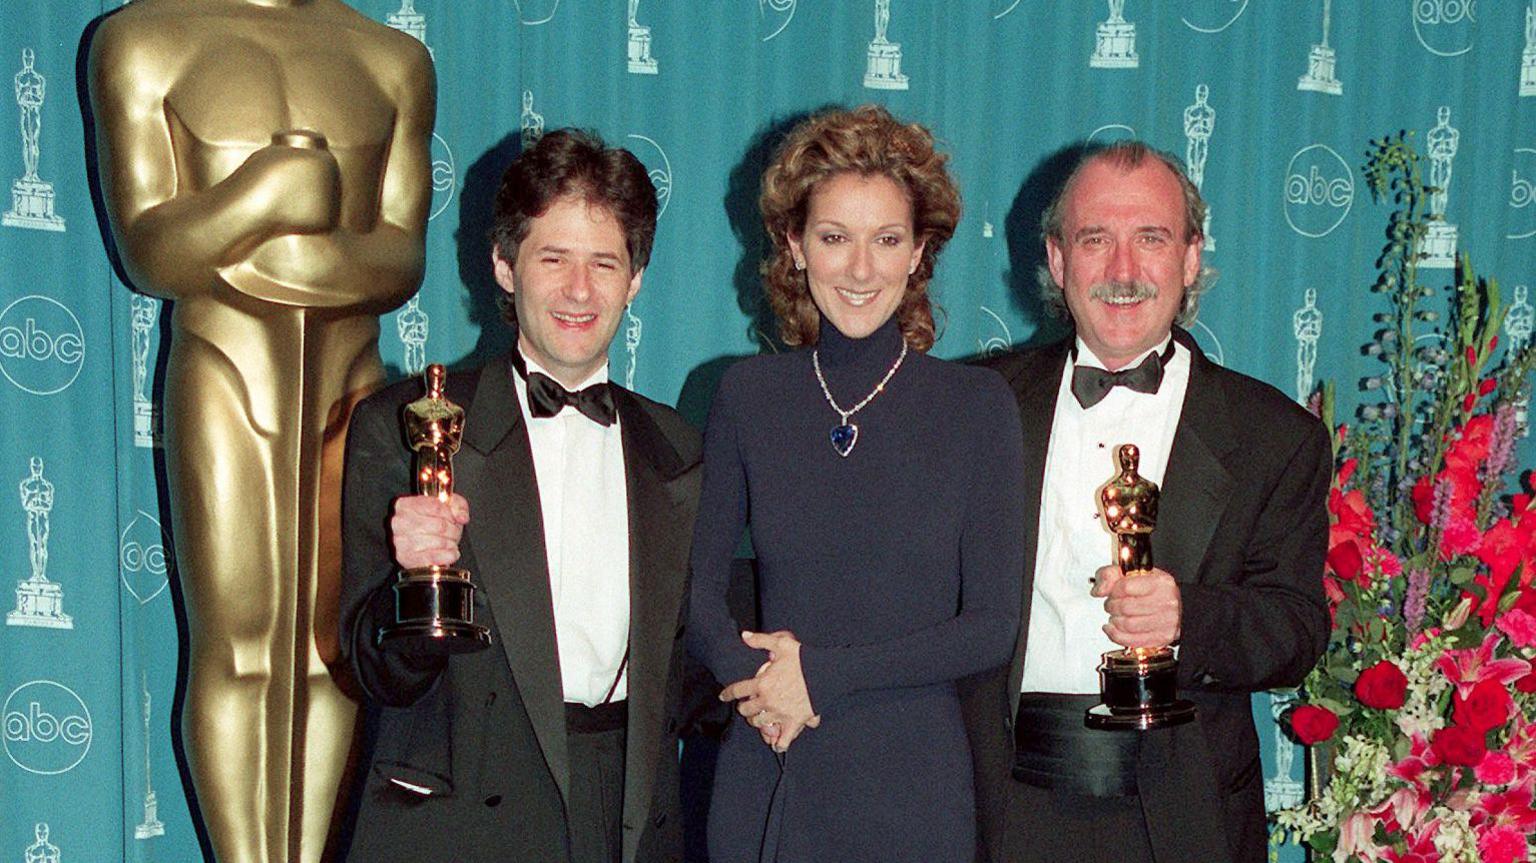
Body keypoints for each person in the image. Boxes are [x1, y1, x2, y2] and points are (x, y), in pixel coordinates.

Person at [87, 4, 433, 860]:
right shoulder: (145, 40)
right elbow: (152, 248)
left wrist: (292, 258)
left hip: (353, 383)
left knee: (333, 644)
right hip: (223, 364)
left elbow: (400, 256)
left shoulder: (393, 60)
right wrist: (264, 195)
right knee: (238, 641)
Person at [337, 129, 702, 863]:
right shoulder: (408, 428)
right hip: (464, 823)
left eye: (605, 263)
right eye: (553, 258)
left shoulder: (680, 448)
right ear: (505, 266)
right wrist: (414, 585)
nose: (579, 290)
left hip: (626, 818)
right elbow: (378, 671)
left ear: (636, 280)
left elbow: (696, 667)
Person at [962, 141, 1331, 863]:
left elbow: (1296, 626)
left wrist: (1186, 617)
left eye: (1151, 239)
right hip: (999, 811)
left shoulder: (1274, 435)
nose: (1123, 271)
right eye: (1096, 239)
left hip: (1182, 818)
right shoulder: (977, 407)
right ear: (1058, 260)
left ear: (1191, 258)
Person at [688, 104, 1026, 863]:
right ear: (793, 245)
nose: (861, 268)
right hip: (769, 756)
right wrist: (762, 687)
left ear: (919, 255)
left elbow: (992, 624)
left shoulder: (976, 407)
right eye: (835, 237)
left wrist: (817, 678)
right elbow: (700, 595)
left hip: (910, 781)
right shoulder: (747, 395)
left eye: (887, 240)